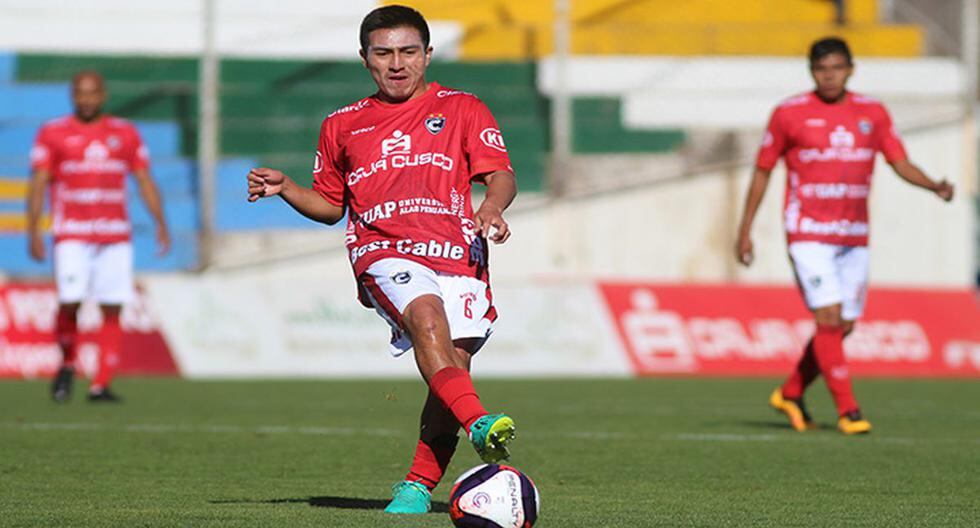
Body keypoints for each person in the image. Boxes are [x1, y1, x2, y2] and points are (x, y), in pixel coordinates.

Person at [247, 5, 518, 514]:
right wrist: (287, 189)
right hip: (383, 249)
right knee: (426, 320)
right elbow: (330, 207)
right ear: (364, 59)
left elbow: (500, 173)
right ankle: (480, 422)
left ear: (428, 55)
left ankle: (417, 486)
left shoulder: (464, 107)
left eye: (408, 52)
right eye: (384, 53)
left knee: (451, 368)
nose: (397, 63)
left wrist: (492, 207)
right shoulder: (342, 124)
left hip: (457, 251)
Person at [735, 37, 953, 435]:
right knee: (830, 318)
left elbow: (898, 162)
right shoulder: (788, 114)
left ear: (850, 69)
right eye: (821, 69)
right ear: (811, 72)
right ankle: (849, 411)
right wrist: (745, 230)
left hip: (853, 236)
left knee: (843, 326)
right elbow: (763, 170)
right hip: (808, 232)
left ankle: (791, 391)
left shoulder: (872, 112)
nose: (829, 75)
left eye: (835, 68)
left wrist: (933, 186)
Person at [28, 71, 171, 403]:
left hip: (114, 235)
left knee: (112, 306)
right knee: (70, 300)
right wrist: (34, 228)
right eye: (80, 93)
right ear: (72, 95)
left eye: (92, 93)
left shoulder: (124, 133)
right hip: (72, 234)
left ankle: (100, 384)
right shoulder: (53, 133)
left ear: (103, 95)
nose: (86, 100)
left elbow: (144, 180)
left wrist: (161, 221)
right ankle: (66, 364)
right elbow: (38, 183)